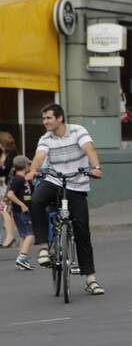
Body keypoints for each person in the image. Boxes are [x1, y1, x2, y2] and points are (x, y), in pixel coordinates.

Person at [27, 104, 105, 295]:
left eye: (48, 118)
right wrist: (32, 171)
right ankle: (44, 247)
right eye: (43, 118)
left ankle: (90, 279)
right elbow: (40, 156)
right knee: (36, 200)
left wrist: (95, 167)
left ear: (60, 118)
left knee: (82, 232)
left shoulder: (78, 131)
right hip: (54, 180)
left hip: (76, 183)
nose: (45, 122)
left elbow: (89, 149)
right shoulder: (45, 138)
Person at [8, 155, 36, 270]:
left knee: (24, 235)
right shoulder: (18, 179)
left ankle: (22, 260)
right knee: (30, 234)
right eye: (29, 164)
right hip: (21, 212)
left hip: (21, 211)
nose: (30, 166)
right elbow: (10, 194)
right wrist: (22, 204)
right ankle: (21, 257)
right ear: (25, 166)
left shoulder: (21, 179)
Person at [0, 130, 18, 247]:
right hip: (3, 185)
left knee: (4, 209)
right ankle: (6, 237)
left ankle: (10, 236)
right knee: (4, 210)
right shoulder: (4, 154)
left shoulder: (11, 155)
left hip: (7, 186)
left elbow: (5, 171)